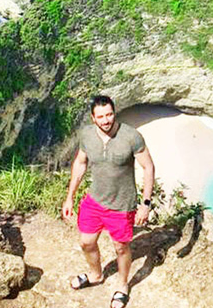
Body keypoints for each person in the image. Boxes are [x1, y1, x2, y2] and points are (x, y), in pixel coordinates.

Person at [61, 95, 155, 308]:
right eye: (101, 116)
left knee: (121, 248)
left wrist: (145, 204)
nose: (106, 120)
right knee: (86, 242)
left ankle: (122, 286)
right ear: (93, 118)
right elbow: (80, 164)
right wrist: (69, 198)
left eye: (109, 114)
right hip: (94, 200)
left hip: (122, 205)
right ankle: (96, 275)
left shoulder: (132, 137)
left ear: (115, 113)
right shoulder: (86, 135)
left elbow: (148, 167)